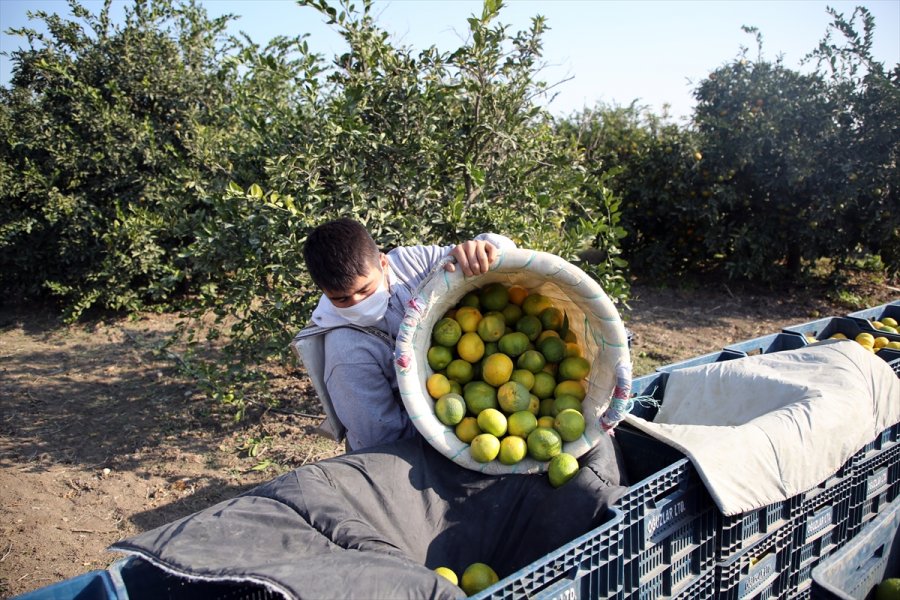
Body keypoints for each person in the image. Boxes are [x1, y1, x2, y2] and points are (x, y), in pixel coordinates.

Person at [302, 218, 515, 451]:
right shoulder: (346, 352)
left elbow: (499, 252)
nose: (357, 302)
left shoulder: (409, 264)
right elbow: (382, 436)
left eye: (365, 289)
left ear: (383, 263)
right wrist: (452, 426)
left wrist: (481, 249)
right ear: (323, 292)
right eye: (341, 299)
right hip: (418, 441)